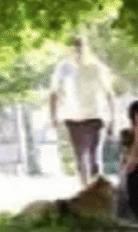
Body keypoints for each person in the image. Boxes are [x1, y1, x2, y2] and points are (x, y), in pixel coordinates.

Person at [49, 37, 117, 185]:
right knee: (80, 158)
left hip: (94, 116)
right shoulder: (64, 68)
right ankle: (84, 192)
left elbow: (109, 94)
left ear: (86, 48)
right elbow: (54, 93)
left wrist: (112, 119)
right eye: (73, 48)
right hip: (73, 118)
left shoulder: (96, 68)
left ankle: (95, 192)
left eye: (79, 48)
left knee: (93, 159)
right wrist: (53, 116)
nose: (76, 51)